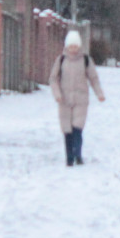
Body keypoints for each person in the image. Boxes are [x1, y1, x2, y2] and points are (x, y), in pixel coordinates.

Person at [50, 30, 106, 166]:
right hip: (64, 100)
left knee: (77, 127)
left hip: (81, 99)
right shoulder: (61, 60)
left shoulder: (86, 60)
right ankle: (69, 157)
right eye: (71, 46)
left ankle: (78, 154)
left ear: (79, 46)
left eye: (75, 46)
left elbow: (93, 79)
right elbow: (53, 79)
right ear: (67, 46)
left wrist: (99, 93)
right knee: (66, 129)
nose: (73, 49)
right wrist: (57, 94)